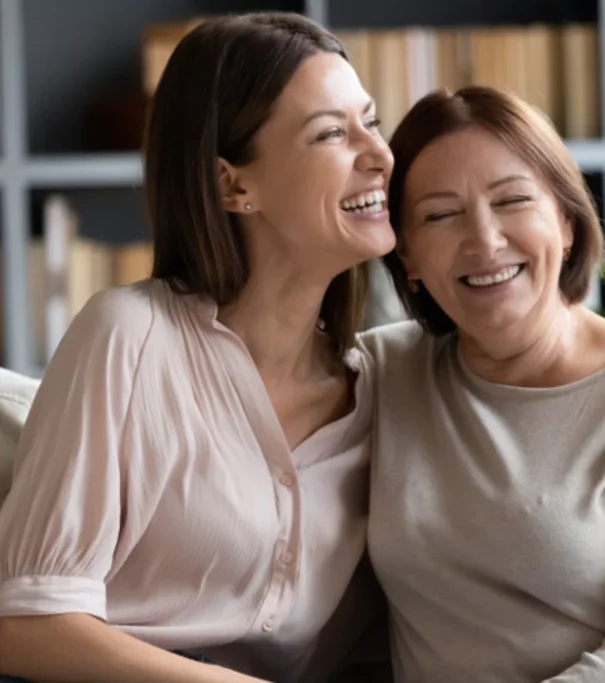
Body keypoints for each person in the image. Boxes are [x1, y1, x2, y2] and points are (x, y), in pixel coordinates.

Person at [0, 13, 393, 683]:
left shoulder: (389, 387)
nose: (380, 154)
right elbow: (25, 623)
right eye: (332, 133)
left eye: (372, 121)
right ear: (231, 185)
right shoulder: (128, 335)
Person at [359, 85, 605, 683]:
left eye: (513, 200)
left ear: (566, 221)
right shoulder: (384, 374)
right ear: (405, 255)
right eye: (440, 215)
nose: (484, 240)